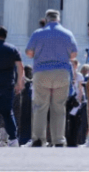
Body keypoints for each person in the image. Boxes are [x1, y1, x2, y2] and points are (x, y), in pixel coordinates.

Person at [24, 9, 78, 147]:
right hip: (61, 72)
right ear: (58, 19)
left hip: (42, 72)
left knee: (40, 106)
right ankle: (58, 140)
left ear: (46, 19)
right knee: (59, 107)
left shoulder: (38, 33)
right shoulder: (67, 33)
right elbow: (73, 55)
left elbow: (29, 52)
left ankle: (38, 139)